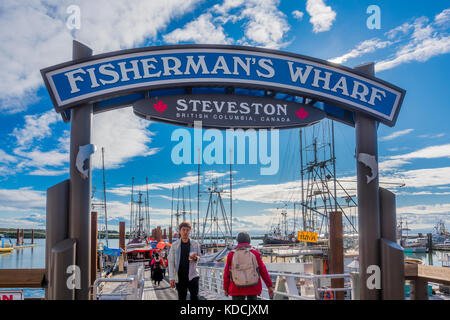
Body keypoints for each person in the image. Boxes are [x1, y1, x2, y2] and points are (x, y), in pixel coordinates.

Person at [223, 231, 274, 300]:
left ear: (238, 241)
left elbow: (227, 273)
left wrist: (226, 288)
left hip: (236, 287)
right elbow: (262, 270)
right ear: (249, 241)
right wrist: (269, 286)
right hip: (253, 286)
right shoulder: (255, 253)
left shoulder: (231, 254)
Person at [168, 221, 202, 300]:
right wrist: (171, 278)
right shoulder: (174, 245)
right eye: (183, 230)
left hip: (193, 275)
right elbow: (171, 262)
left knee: (195, 297)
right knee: (181, 297)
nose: (185, 232)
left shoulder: (195, 244)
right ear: (179, 231)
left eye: (187, 230)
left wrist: (196, 258)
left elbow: (200, 257)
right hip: (180, 277)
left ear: (190, 231)